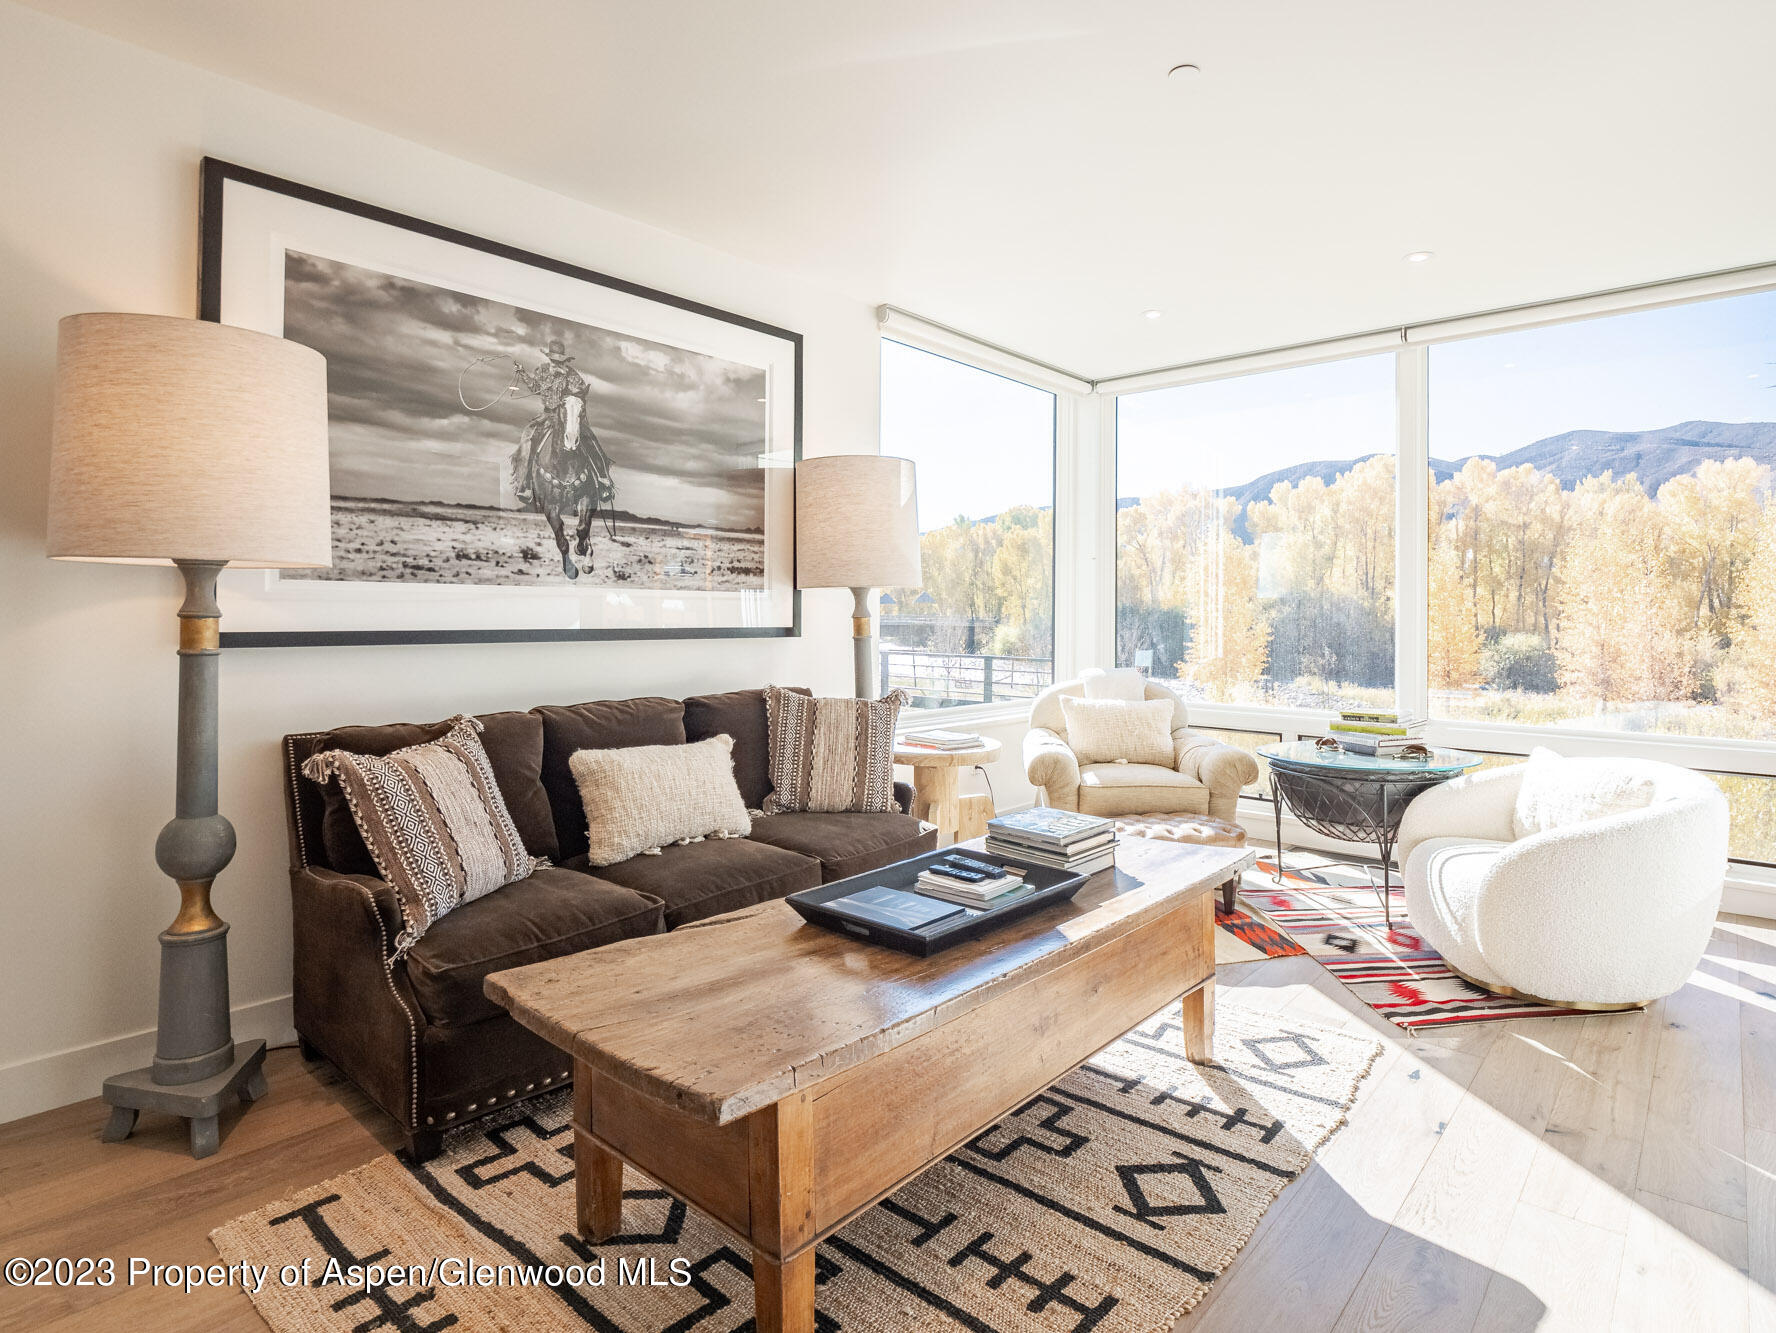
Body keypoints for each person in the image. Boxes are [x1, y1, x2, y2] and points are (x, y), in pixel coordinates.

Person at [508, 338, 614, 507]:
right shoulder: (542, 370)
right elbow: (535, 387)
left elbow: (580, 392)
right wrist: (522, 373)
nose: (556, 363)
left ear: (564, 360)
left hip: (568, 415)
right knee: (527, 437)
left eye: (559, 360)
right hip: (548, 415)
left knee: (591, 440)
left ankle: (604, 481)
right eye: (553, 360)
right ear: (549, 358)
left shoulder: (571, 374)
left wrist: (568, 383)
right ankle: (524, 483)